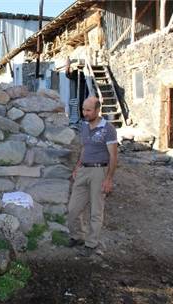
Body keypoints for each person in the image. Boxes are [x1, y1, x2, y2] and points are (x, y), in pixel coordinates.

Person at [67, 96, 118, 257]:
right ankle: (77, 236)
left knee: (96, 210)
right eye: (83, 109)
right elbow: (84, 148)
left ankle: (91, 244)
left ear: (97, 110)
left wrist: (109, 179)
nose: (85, 113)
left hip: (99, 172)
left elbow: (114, 156)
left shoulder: (108, 128)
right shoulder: (84, 126)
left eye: (88, 110)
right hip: (83, 170)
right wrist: (77, 167)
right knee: (73, 208)